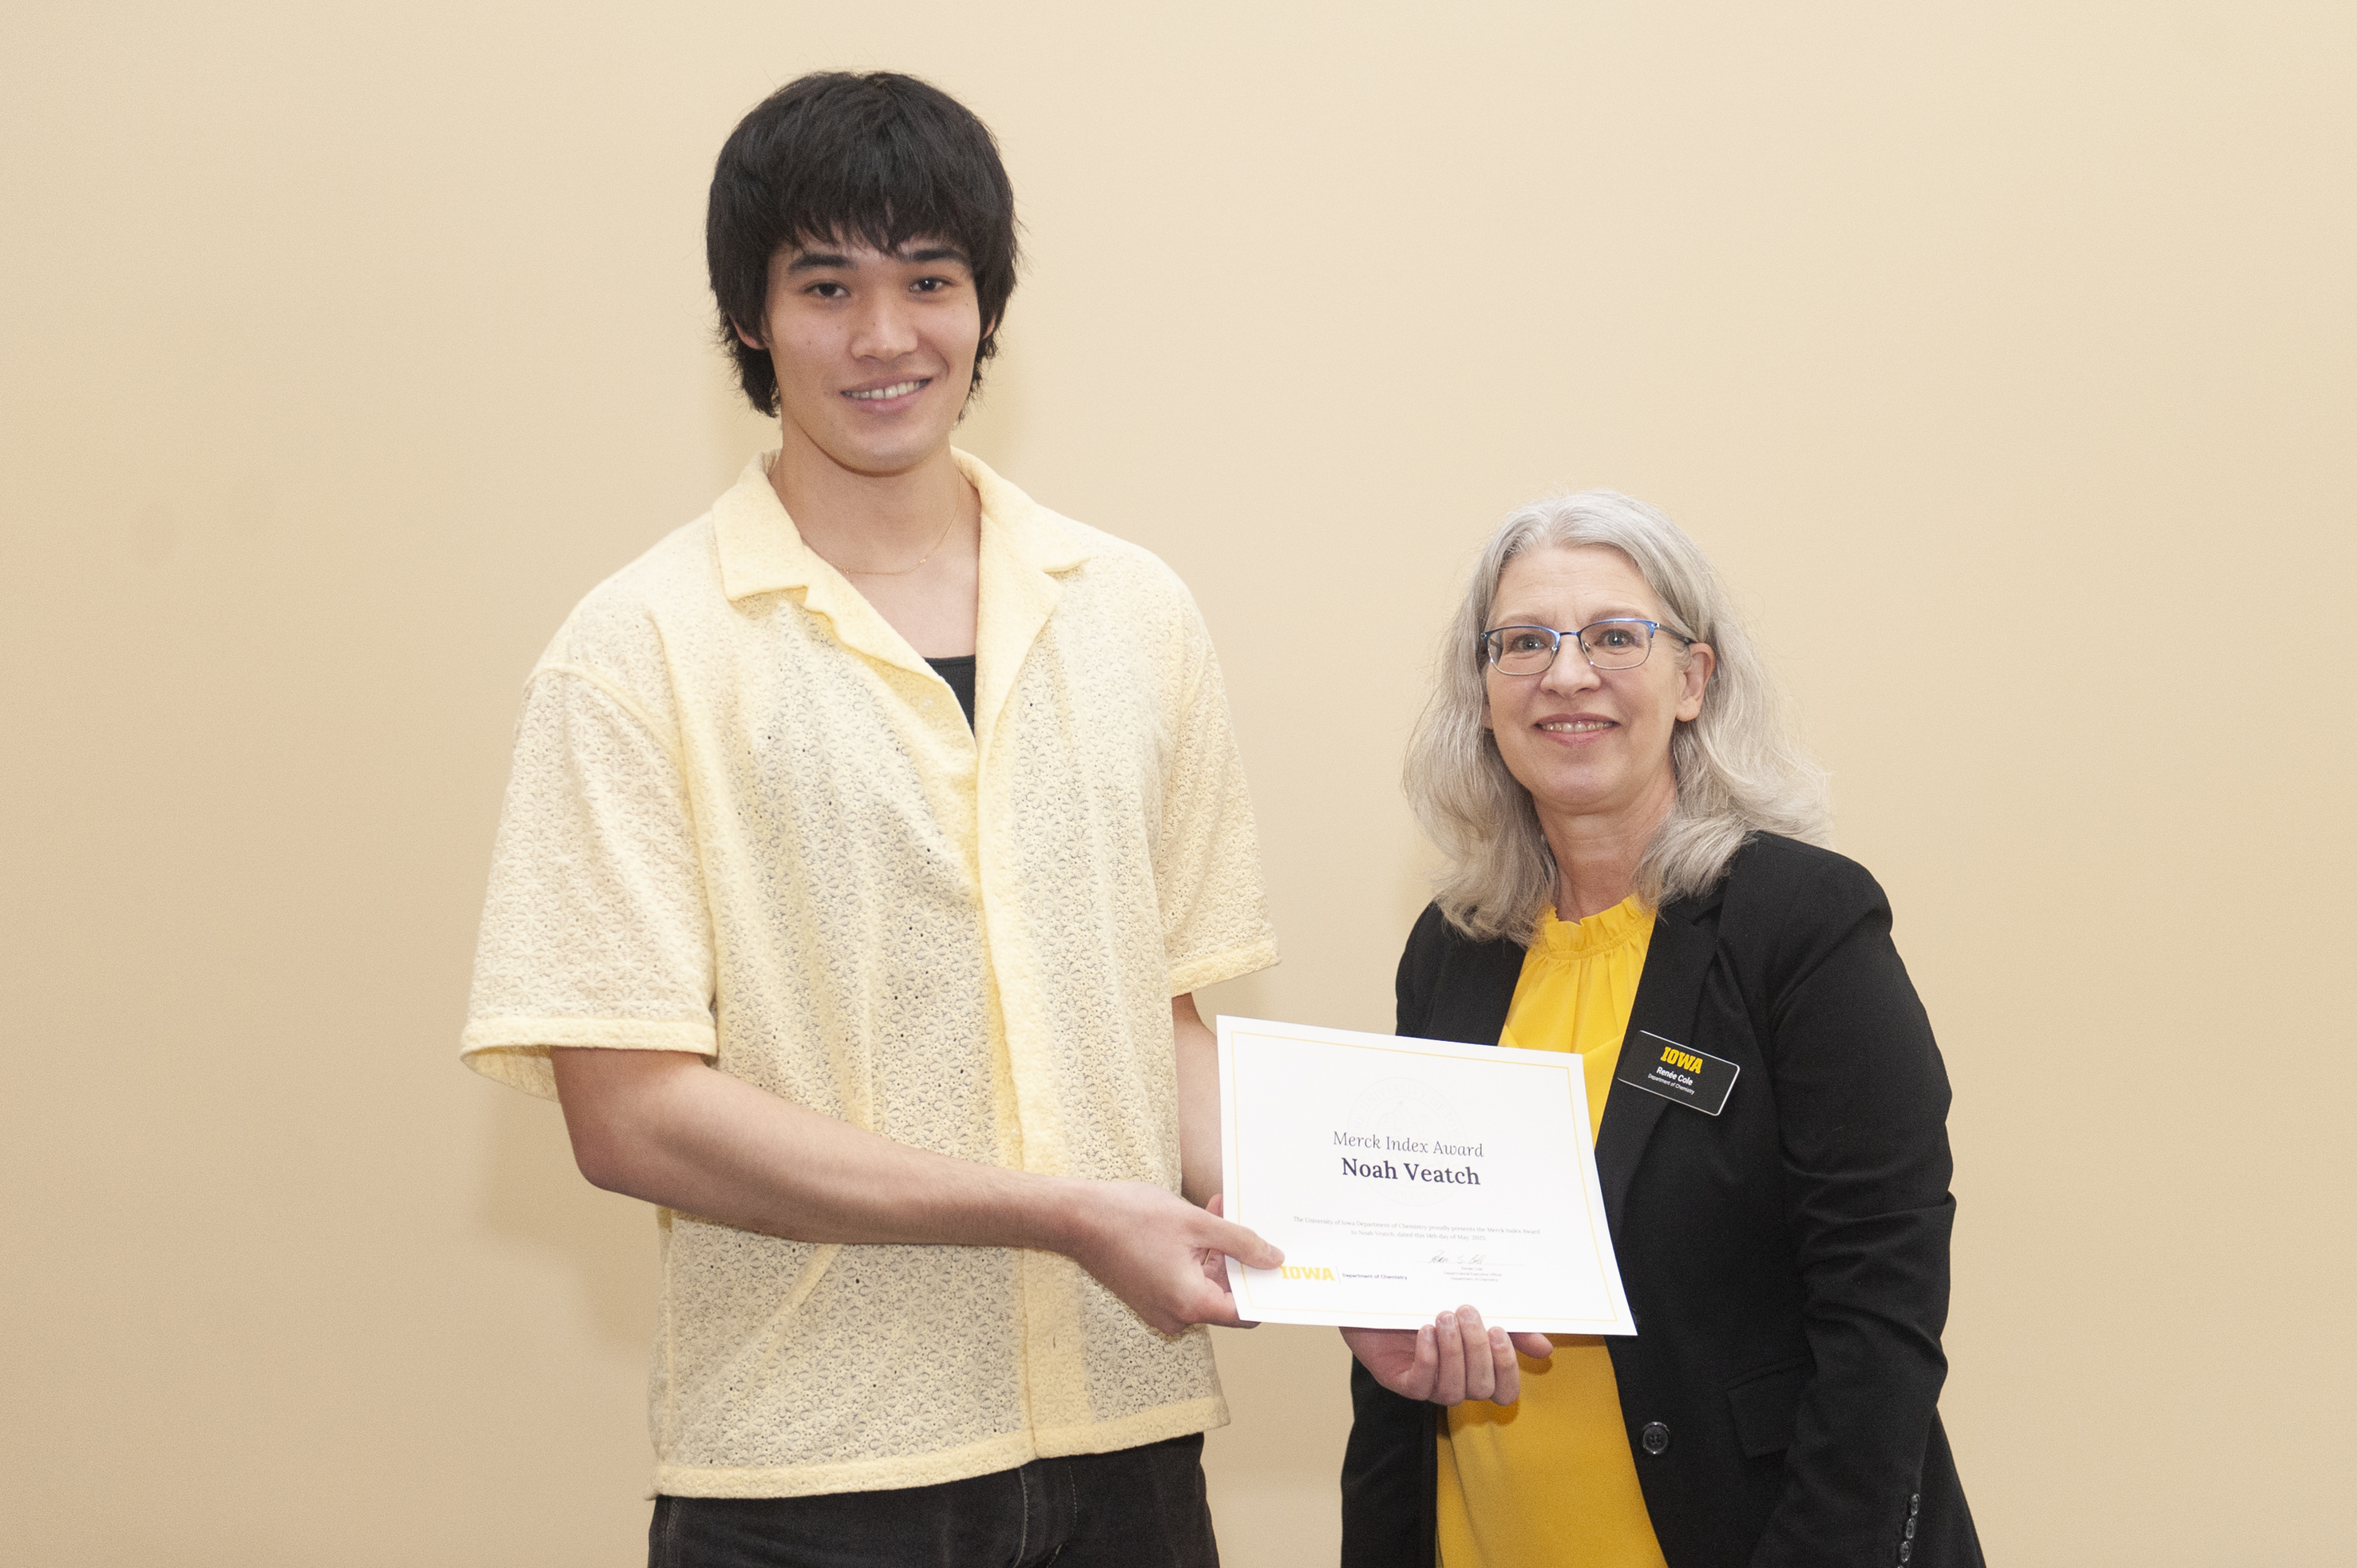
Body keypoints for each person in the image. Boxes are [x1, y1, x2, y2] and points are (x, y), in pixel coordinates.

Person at [460, 71, 1281, 1568]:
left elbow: (1154, 1028)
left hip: (1131, 1448)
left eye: (931, 281)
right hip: (807, 1486)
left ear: (987, 308)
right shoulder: (639, 649)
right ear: (751, 319)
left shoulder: (1135, 613)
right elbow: (628, 1111)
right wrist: (1063, 1215)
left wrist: (1358, 1268)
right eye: (828, 285)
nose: (887, 335)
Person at [1339, 492, 1981, 1567]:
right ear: (1483, 694)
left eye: (1614, 636)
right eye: (1523, 643)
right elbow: (1403, 1294)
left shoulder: (1802, 925)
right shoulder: (1453, 949)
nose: (1567, 674)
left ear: (1694, 680)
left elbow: (1882, 1309)